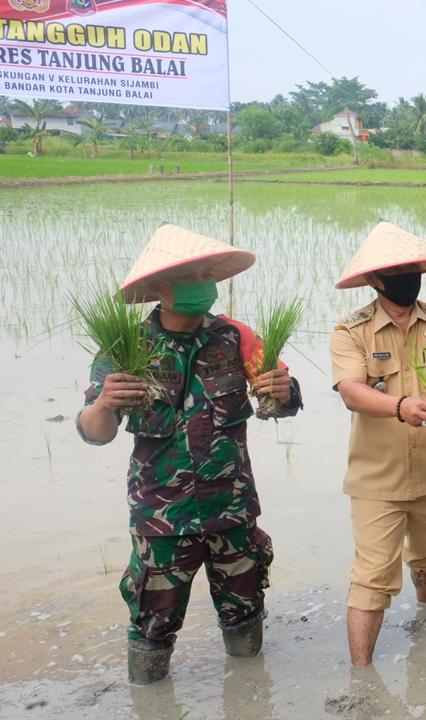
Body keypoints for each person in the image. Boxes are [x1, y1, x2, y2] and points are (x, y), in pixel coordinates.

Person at [76, 224, 301, 685]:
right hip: (162, 519)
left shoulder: (237, 337)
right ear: (158, 286)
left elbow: (281, 402)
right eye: (187, 274)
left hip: (233, 512)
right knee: (151, 627)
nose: (201, 283)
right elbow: (94, 432)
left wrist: (283, 391)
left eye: (205, 273)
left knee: (244, 616)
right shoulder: (127, 347)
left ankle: (249, 699)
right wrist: (104, 403)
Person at [329, 221, 426, 666]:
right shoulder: (350, 330)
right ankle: (361, 676)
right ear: (374, 280)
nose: (407, 277)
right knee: (372, 577)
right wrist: (399, 407)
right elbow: (352, 391)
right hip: (379, 479)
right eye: (396, 271)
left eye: (412, 268)